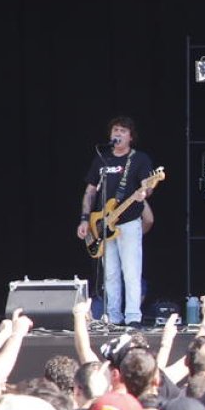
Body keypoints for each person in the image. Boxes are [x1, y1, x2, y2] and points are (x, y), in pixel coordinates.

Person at [76, 116, 155, 327]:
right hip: (103, 223)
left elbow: (148, 185)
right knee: (110, 273)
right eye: (114, 130)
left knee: (131, 271)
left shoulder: (139, 159)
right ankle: (113, 317)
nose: (117, 134)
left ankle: (132, 317)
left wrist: (144, 192)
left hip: (128, 222)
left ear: (131, 137)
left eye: (122, 131)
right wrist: (85, 219)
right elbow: (90, 191)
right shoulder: (102, 159)